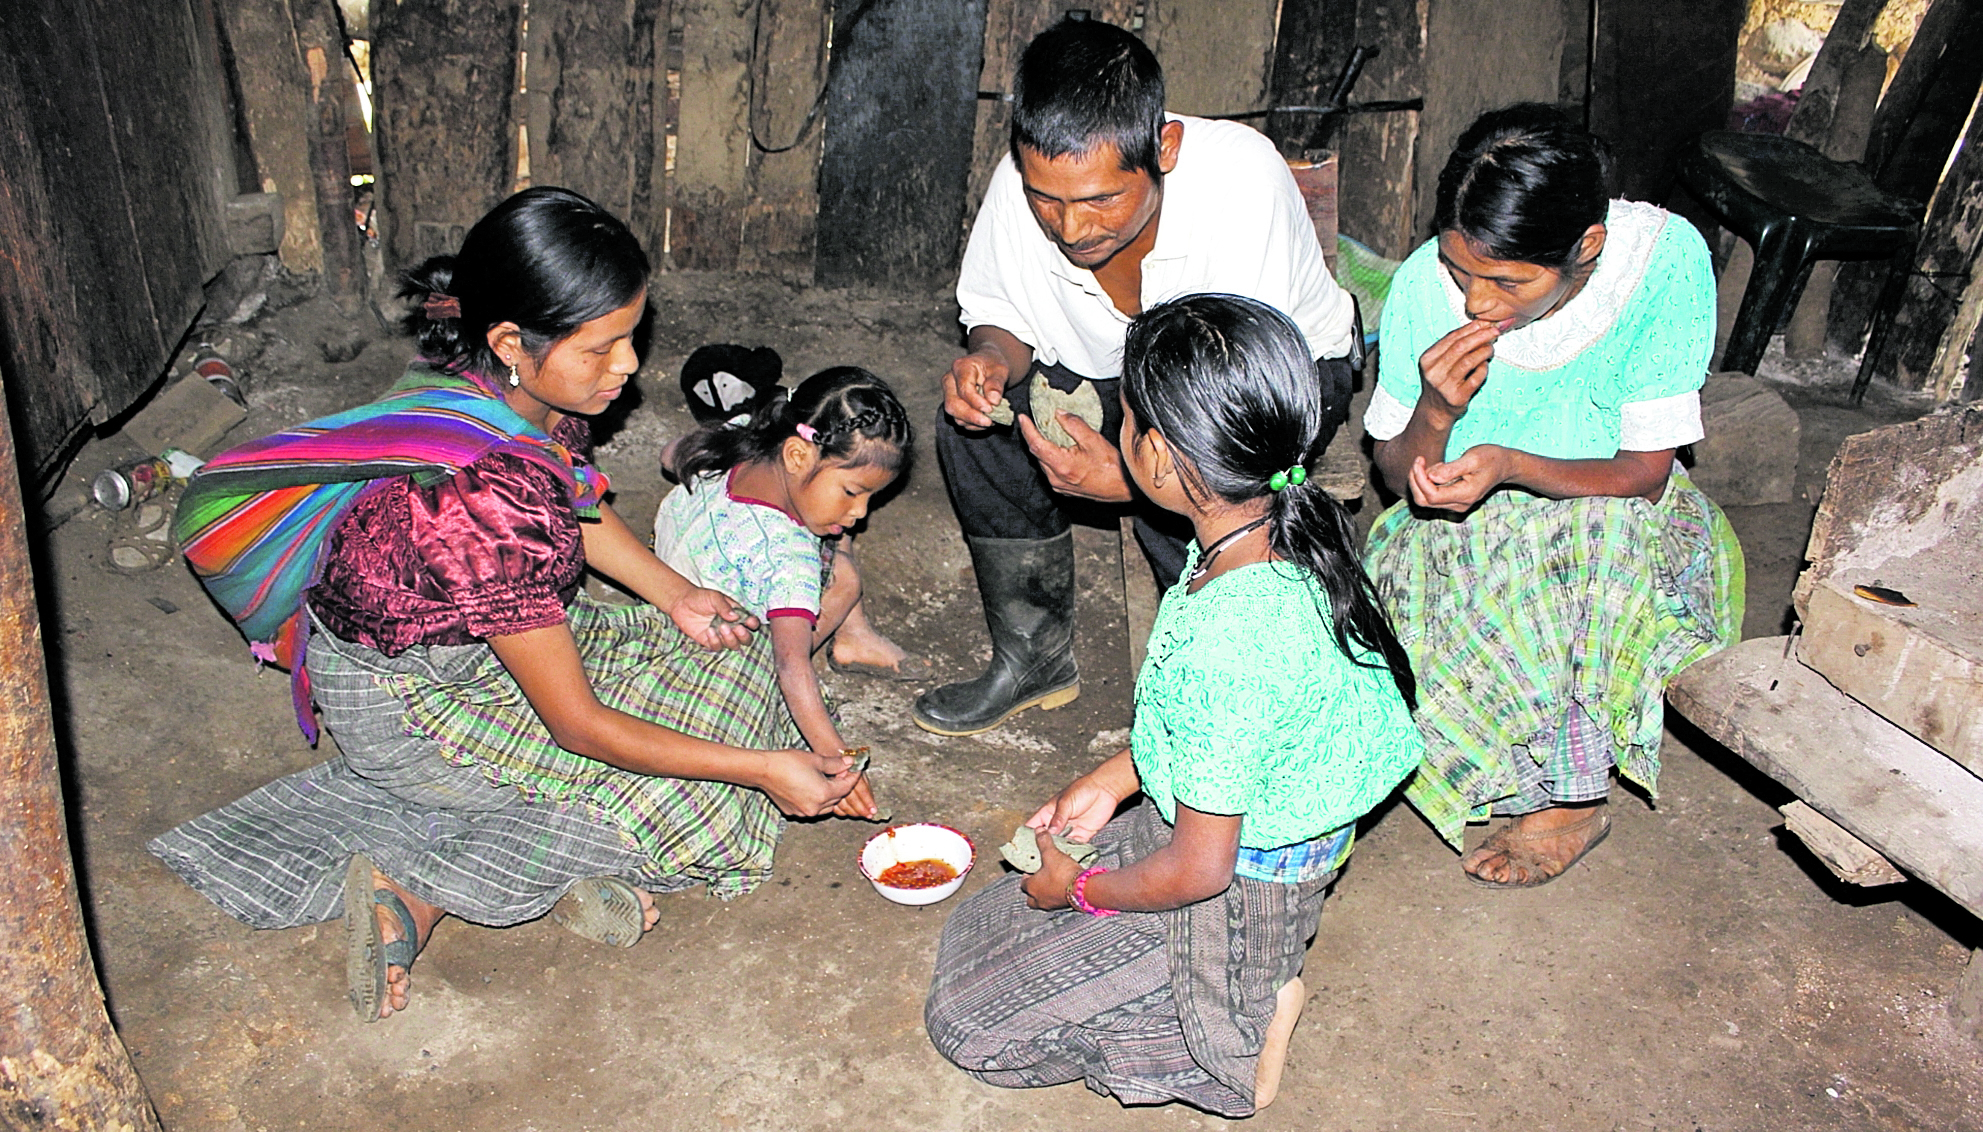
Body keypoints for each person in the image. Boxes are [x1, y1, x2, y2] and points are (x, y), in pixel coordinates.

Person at [150, 187, 874, 1024]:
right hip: (412, 705)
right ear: (509, 342)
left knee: (737, 651)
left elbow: (573, 500)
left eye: (630, 338)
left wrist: (676, 595)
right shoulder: (487, 497)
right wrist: (761, 772)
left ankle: (531, 863)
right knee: (700, 801)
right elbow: (580, 725)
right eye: (601, 347)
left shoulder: (511, 395)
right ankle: (416, 893)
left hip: (484, 643)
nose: (628, 367)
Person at [925, 294, 1421, 1116]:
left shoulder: (1231, 634)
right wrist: (1114, 779)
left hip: (1241, 884)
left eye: (1124, 419)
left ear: (1157, 455)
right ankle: (1193, 976)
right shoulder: (1264, 529)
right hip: (1235, 809)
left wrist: (1078, 896)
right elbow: (1242, 725)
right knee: (976, 930)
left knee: (969, 1025)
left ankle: (1240, 1032)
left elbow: (1198, 870)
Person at [915, 17, 1359, 737]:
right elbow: (1001, 314)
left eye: (1100, 200)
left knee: (1175, 475)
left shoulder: (1242, 182)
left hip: (1265, 387)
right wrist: (990, 360)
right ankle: (1033, 658)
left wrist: (1127, 480)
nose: (1069, 228)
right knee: (976, 423)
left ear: (1163, 148)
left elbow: (1232, 410)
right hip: (1120, 379)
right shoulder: (1024, 181)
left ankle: (1210, 690)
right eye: (1046, 200)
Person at [1362, 104, 1745, 888]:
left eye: (1507, 281)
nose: (1475, 301)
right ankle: (1492, 752)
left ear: (1586, 248)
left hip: (1613, 512)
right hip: (1468, 520)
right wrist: (1437, 414)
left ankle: (1569, 799)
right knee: (1425, 563)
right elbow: (1396, 478)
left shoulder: (1660, 263)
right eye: (1460, 269)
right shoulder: (1418, 290)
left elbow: (1642, 471)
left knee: (1592, 543)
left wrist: (1507, 462)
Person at [653, 366, 914, 756]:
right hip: (720, 648)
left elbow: (669, 454)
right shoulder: (789, 556)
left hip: (666, 579)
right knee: (844, 577)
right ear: (796, 454)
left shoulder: (745, 434)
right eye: (853, 491)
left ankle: (853, 637)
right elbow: (791, 666)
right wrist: (836, 758)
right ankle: (852, 635)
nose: (862, 511)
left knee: (834, 521)